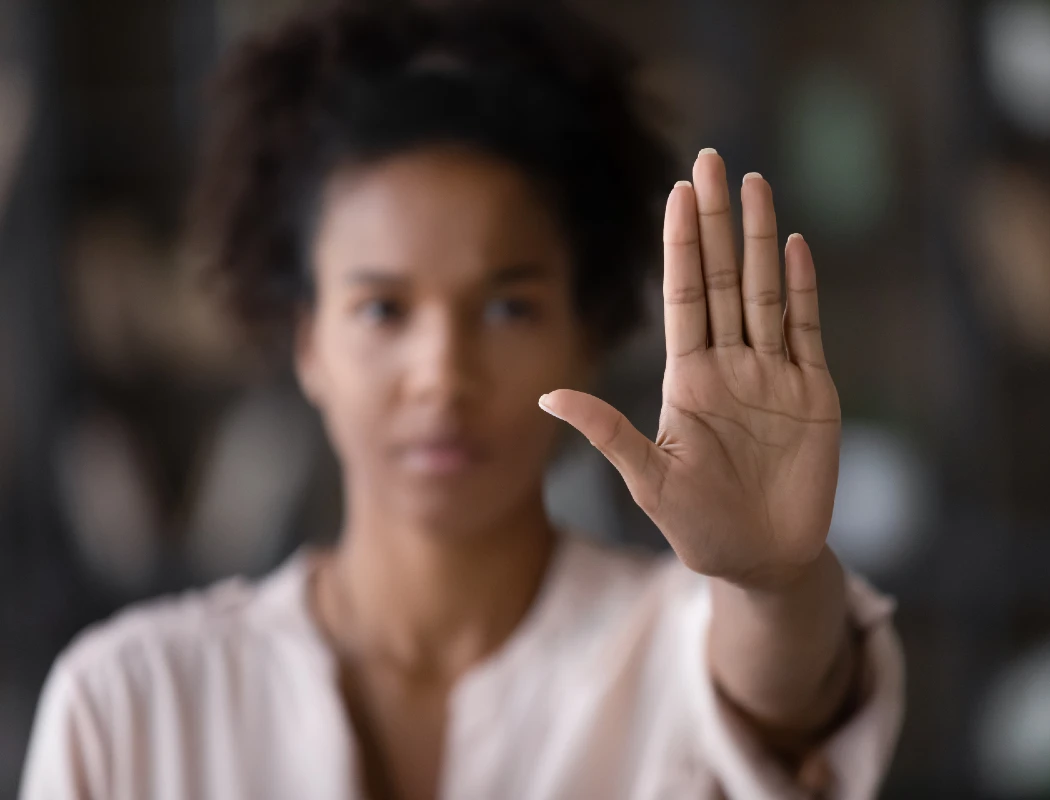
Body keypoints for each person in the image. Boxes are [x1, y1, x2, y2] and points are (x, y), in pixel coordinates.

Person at [19, 2, 903, 798]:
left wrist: (774, 582)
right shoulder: (130, 704)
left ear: (587, 333)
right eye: (382, 309)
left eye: (508, 306)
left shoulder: (680, 646)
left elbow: (782, 702)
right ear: (306, 342)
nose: (442, 372)